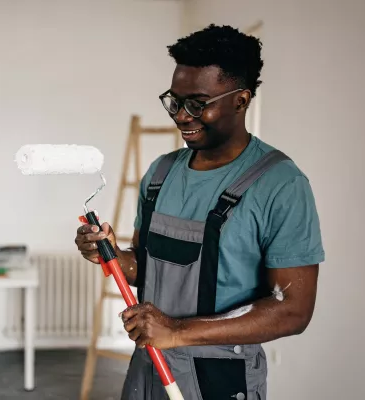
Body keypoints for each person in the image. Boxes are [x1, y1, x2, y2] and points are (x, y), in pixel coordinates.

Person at [75, 24, 324, 400]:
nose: (181, 116)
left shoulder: (280, 185)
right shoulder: (160, 173)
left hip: (221, 377)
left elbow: (293, 309)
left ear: (240, 100)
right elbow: (149, 269)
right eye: (174, 101)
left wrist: (177, 331)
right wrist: (109, 254)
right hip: (149, 368)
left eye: (197, 104)